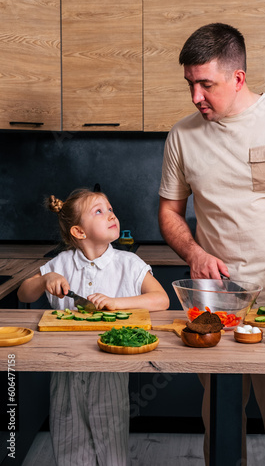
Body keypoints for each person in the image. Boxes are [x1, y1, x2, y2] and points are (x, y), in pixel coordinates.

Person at [158, 23, 265, 465]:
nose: (195, 96)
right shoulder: (182, 135)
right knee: (218, 422)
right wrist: (195, 252)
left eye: (206, 84)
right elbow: (169, 213)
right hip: (216, 309)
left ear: (238, 78)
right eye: (190, 84)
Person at [18, 188, 169, 466]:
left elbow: (161, 299)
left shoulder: (129, 263)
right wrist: (44, 279)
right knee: (69, 447)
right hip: (65, 372)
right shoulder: (61, 263)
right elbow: (23, 294)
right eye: (99, 211)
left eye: (110, 208)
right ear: (79, 231)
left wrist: (116, 302)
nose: (111, 214)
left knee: (112, 450)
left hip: (110, 372)